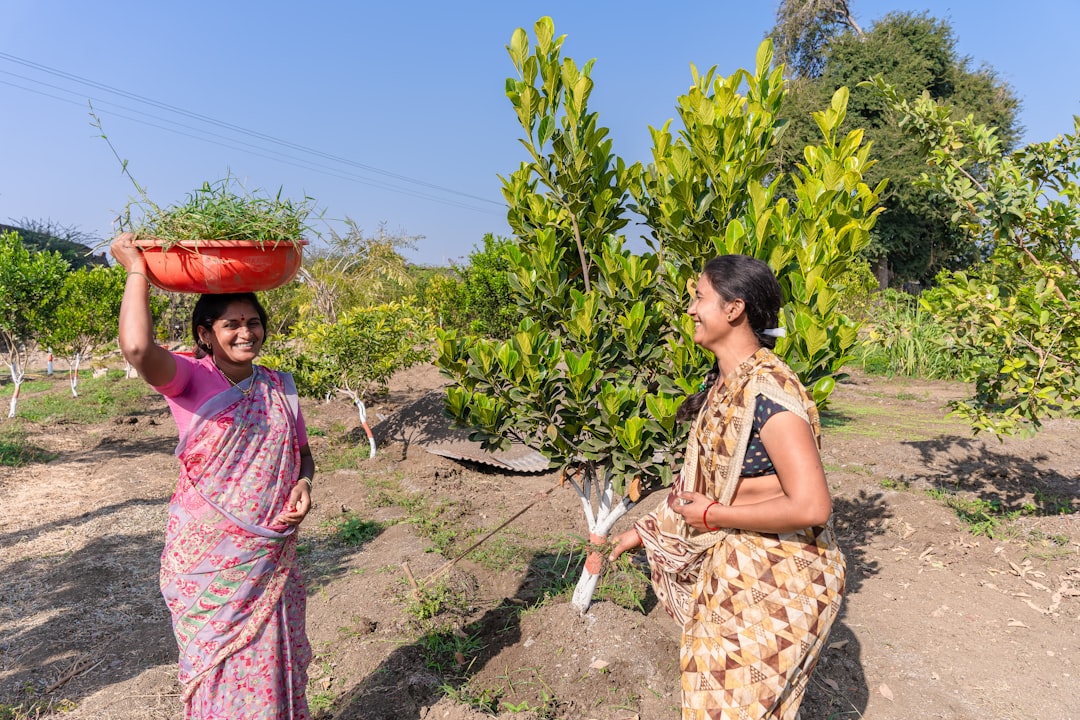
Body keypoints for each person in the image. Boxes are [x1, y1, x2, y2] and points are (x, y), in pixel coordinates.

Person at [608, 254, 846, 720]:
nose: (692, 309)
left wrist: (714, 516)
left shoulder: (769, 393)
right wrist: (641, 533)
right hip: (738, 568)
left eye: (700, 298)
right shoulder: (724, 383)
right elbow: (703, 482)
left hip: (783, 578)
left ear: (734, 309)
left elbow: (812, 506)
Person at [111, 233, 314, 719]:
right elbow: (138, 347)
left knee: (272, 664)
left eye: (253, 323)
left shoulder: (278, 387)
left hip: (269, 556)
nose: (246, 333)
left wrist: (304, 483)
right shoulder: (189, 378)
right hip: (211, 564)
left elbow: (302, 454)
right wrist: (136, 268)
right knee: (221, 669)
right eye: (231, 325)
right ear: (205, 333)